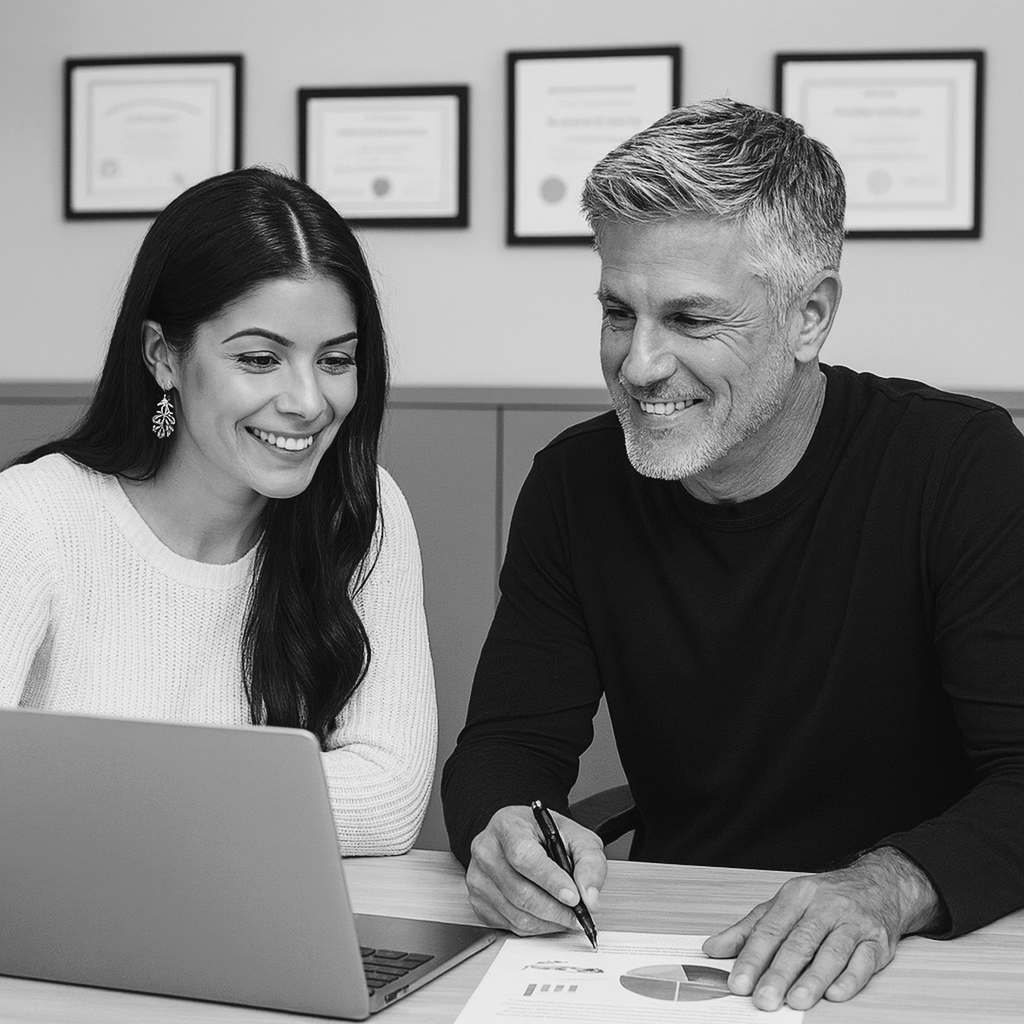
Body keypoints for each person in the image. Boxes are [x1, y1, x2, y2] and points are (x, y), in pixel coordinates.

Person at [441, 99, 1024, 1011]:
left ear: (809, 318)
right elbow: (508, 744)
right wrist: (506, 831)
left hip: (914, 952)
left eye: (691, 319)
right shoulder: (575, 483)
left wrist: (886, 887)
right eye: (616, 311)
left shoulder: (962, 465)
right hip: (687, 945)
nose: (638, 365)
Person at [0, 167, 436, 856]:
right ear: (161, 357)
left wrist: (103, 798)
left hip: (268, 939)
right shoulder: (31, 518)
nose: (308, 402)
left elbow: (386, 802)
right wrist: (255, 800)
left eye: (336, 360)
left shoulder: (359, 508)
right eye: (261, 359)